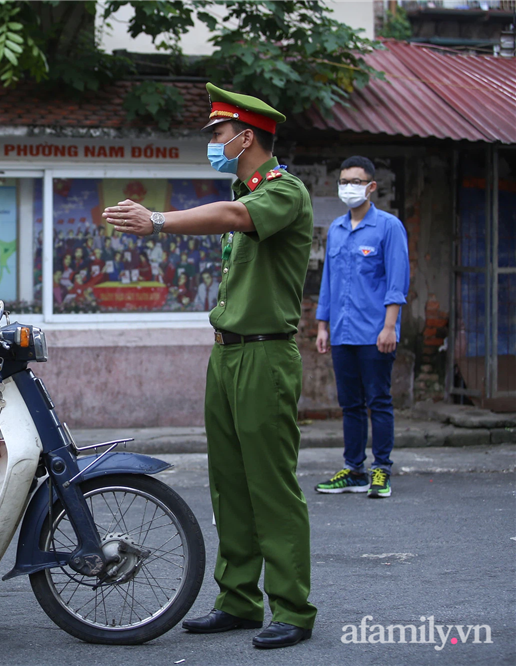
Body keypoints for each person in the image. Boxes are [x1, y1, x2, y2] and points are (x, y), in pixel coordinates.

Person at [102, 82, 316, 649]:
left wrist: (159, 221)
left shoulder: (282, 192)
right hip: (226, 355)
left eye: (218, 134)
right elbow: (229, 213)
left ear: (246, 136)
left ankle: (293, 607)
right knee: (229, 485)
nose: (213, 143)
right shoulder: (244, 192)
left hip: (266, 355)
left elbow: (230, 215)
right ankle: (239, 600)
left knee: (270, 485)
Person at [314, 156, 409, 499]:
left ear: (371, 187)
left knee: (379, 400)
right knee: (350, 404)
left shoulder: (388, 227)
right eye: (343, 181)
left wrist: (389, 327)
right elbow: (327, 281)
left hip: (375, 332)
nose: (348, 188)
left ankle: (381, 469)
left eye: (355, 182)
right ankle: (354, 469)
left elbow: (397, 281)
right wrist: (322, 326)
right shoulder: (336, 230)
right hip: (341, 332)